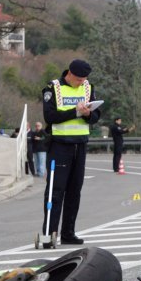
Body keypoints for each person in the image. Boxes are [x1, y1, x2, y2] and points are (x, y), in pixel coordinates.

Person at [40, 59, 101, 247]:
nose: (82, 82)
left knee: (75, 192)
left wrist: (88, 114)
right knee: (55, 192)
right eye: (79, 79)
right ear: (70, 74)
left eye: (85, 79)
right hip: (60, 145)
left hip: (80, 145)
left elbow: (96, 118)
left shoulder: (88, 88)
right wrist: (75, 112)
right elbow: (50, 117)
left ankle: (68, 233)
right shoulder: (54, 88)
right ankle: (49, 235)